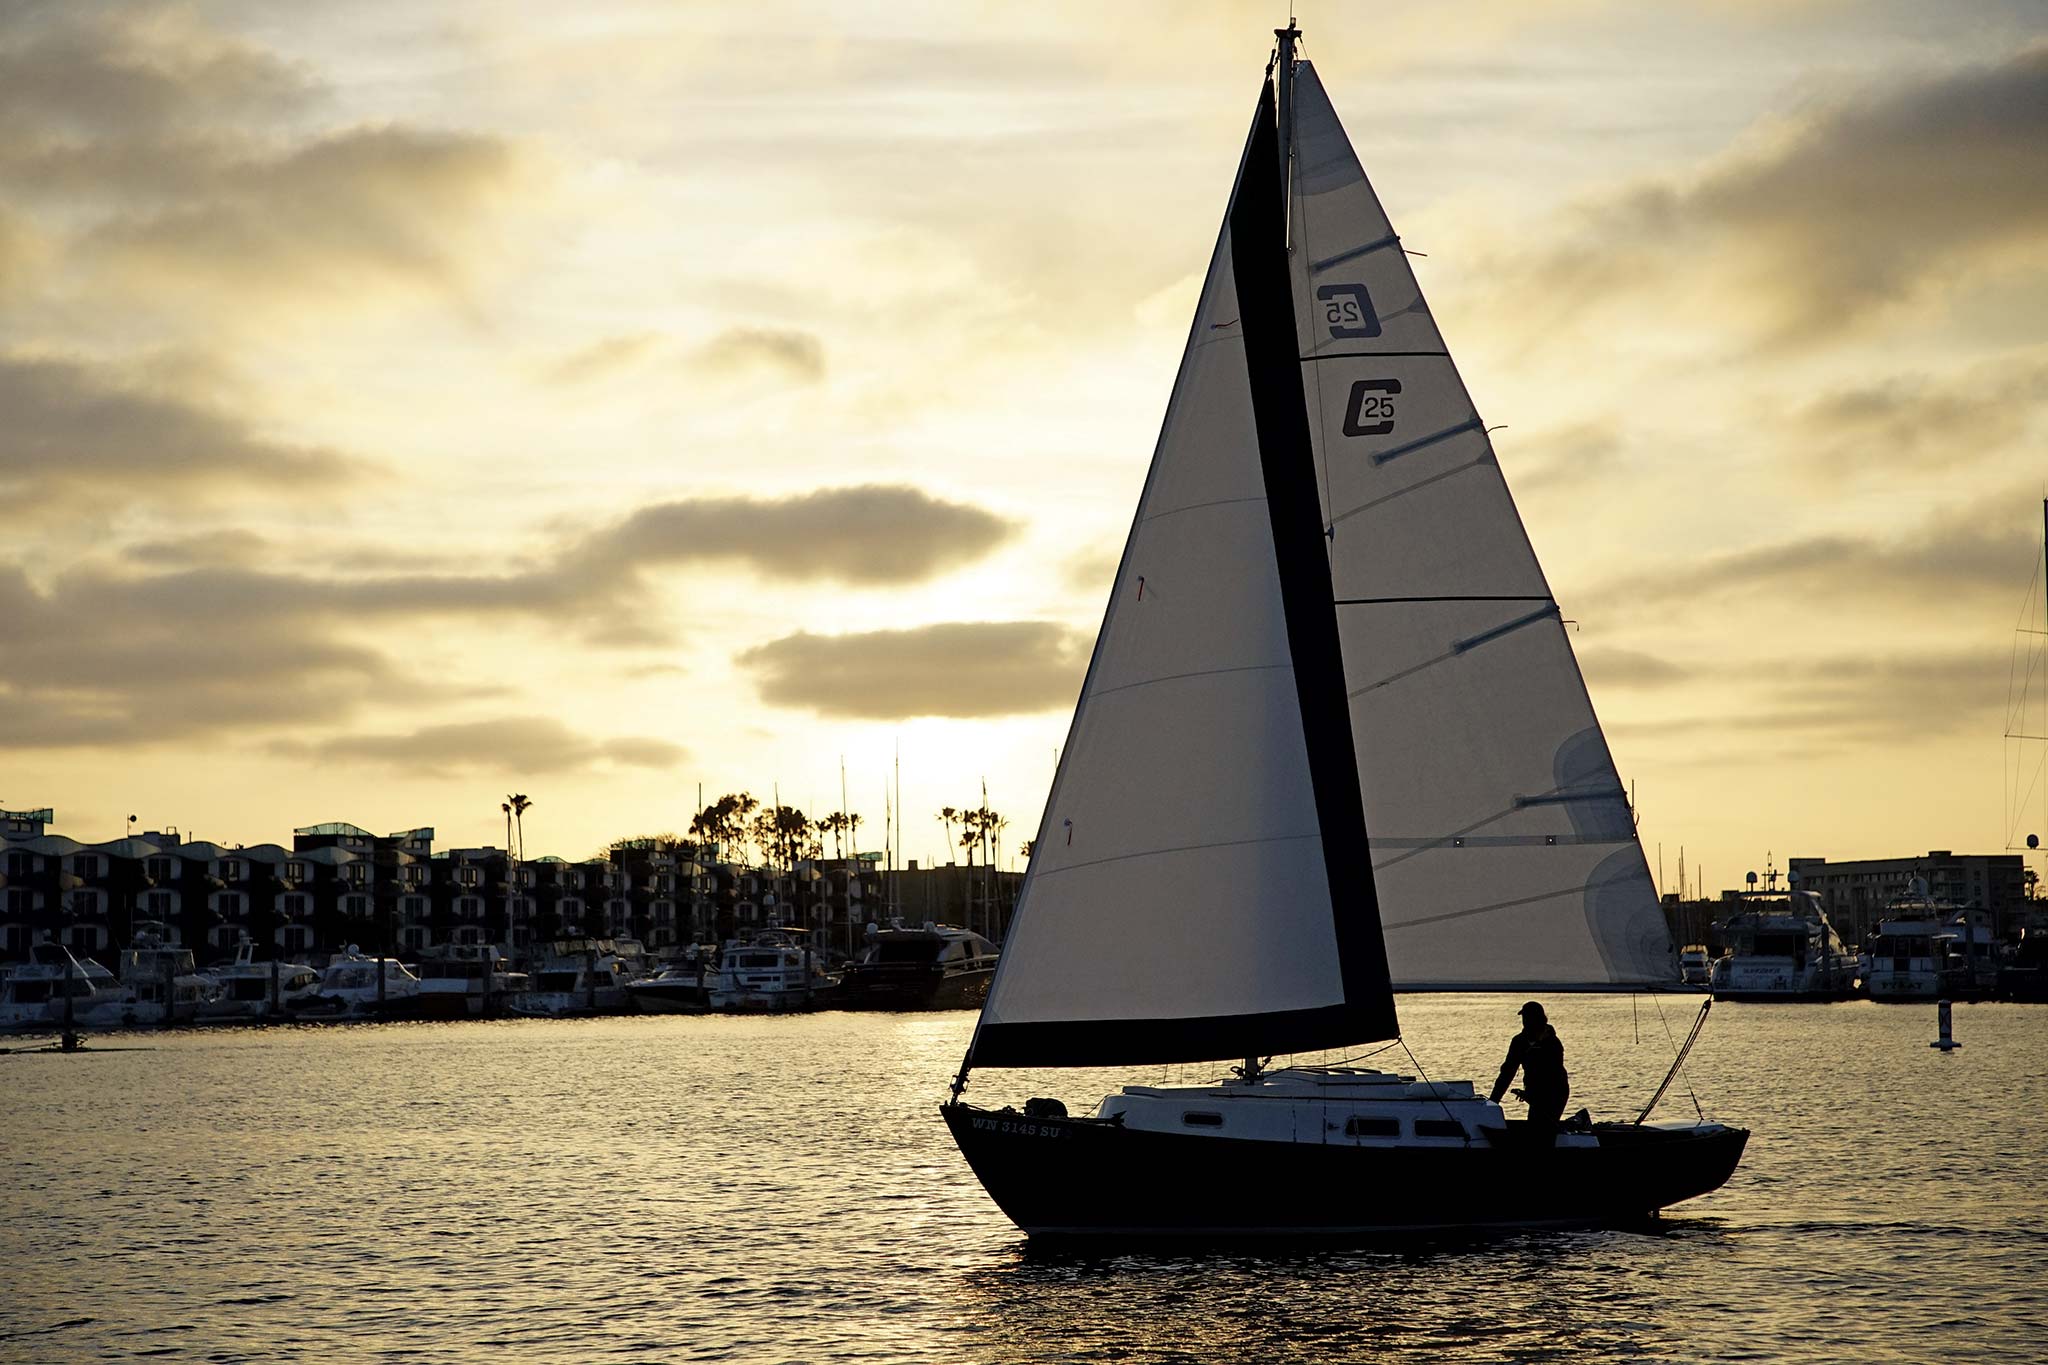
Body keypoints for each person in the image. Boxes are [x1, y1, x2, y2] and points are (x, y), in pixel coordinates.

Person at [1489, 1001, 1569, 1148]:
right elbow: (1507, 1072)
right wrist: (1493, 1102)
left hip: (1556, 1092)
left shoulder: (1552, 1043)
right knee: (1534, 1128)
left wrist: (1531, 1095)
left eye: (1528, 1018)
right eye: (1524, 1018)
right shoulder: (1519, 1041)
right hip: (1534, 1093)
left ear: (1539, 1019)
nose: (1525, 1022)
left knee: (1545, 1131)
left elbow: (1553, 1075)